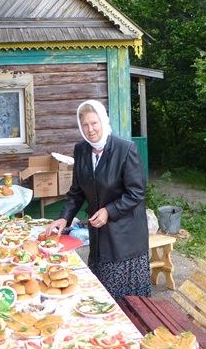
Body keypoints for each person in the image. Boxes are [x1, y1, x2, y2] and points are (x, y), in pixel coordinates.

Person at [43, 99, 151, 300]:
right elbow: (77, 191)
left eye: (94, 123)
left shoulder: (125, 149)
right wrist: (64, 218)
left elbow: (137, 192)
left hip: (125, 238)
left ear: (103, 121)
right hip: (99, 234)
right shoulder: (81, 150)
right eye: (85, 125)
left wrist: (109, 210)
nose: (90, 129)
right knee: (100, 294)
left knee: (125, 301)